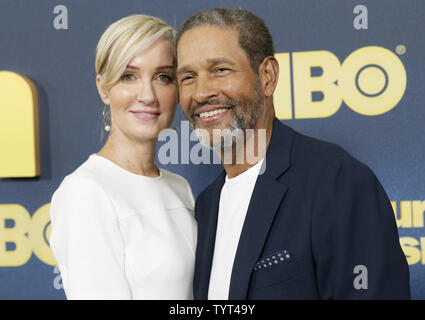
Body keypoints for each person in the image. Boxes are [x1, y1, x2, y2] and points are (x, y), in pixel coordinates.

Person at [176, 8, 410, 299]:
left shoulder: (337, 182)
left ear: (268, 77)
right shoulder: (207, 205)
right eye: (188, 77)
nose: (200, 93)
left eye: (220, 70)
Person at [49, 15, 196, 300]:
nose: (148, 95)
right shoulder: (86, 191)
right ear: (104, 88)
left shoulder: (180, 188)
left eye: (163, 77)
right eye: (129, 76)